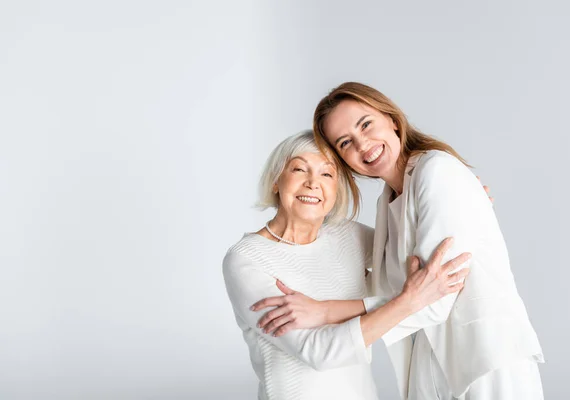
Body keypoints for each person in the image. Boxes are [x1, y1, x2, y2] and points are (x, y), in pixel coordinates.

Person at [259, 82, 544, 399]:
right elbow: (399, 295)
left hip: (485, 359)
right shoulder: (388, 202)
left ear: (392, 118)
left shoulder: (437, 172)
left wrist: (324, 311)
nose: (362, 144)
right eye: (345, 143)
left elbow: (431, 300)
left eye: (365, 124)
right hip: (430, 364)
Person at [222, 130, 471, 400]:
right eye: (299, 169)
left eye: (327, 174)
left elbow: (418, 251)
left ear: (337, 188)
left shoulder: (348, 236)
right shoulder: (247, 258)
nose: (312, 183)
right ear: (275, 181)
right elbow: (319, 352)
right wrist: (408, 302)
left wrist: (458, 201)